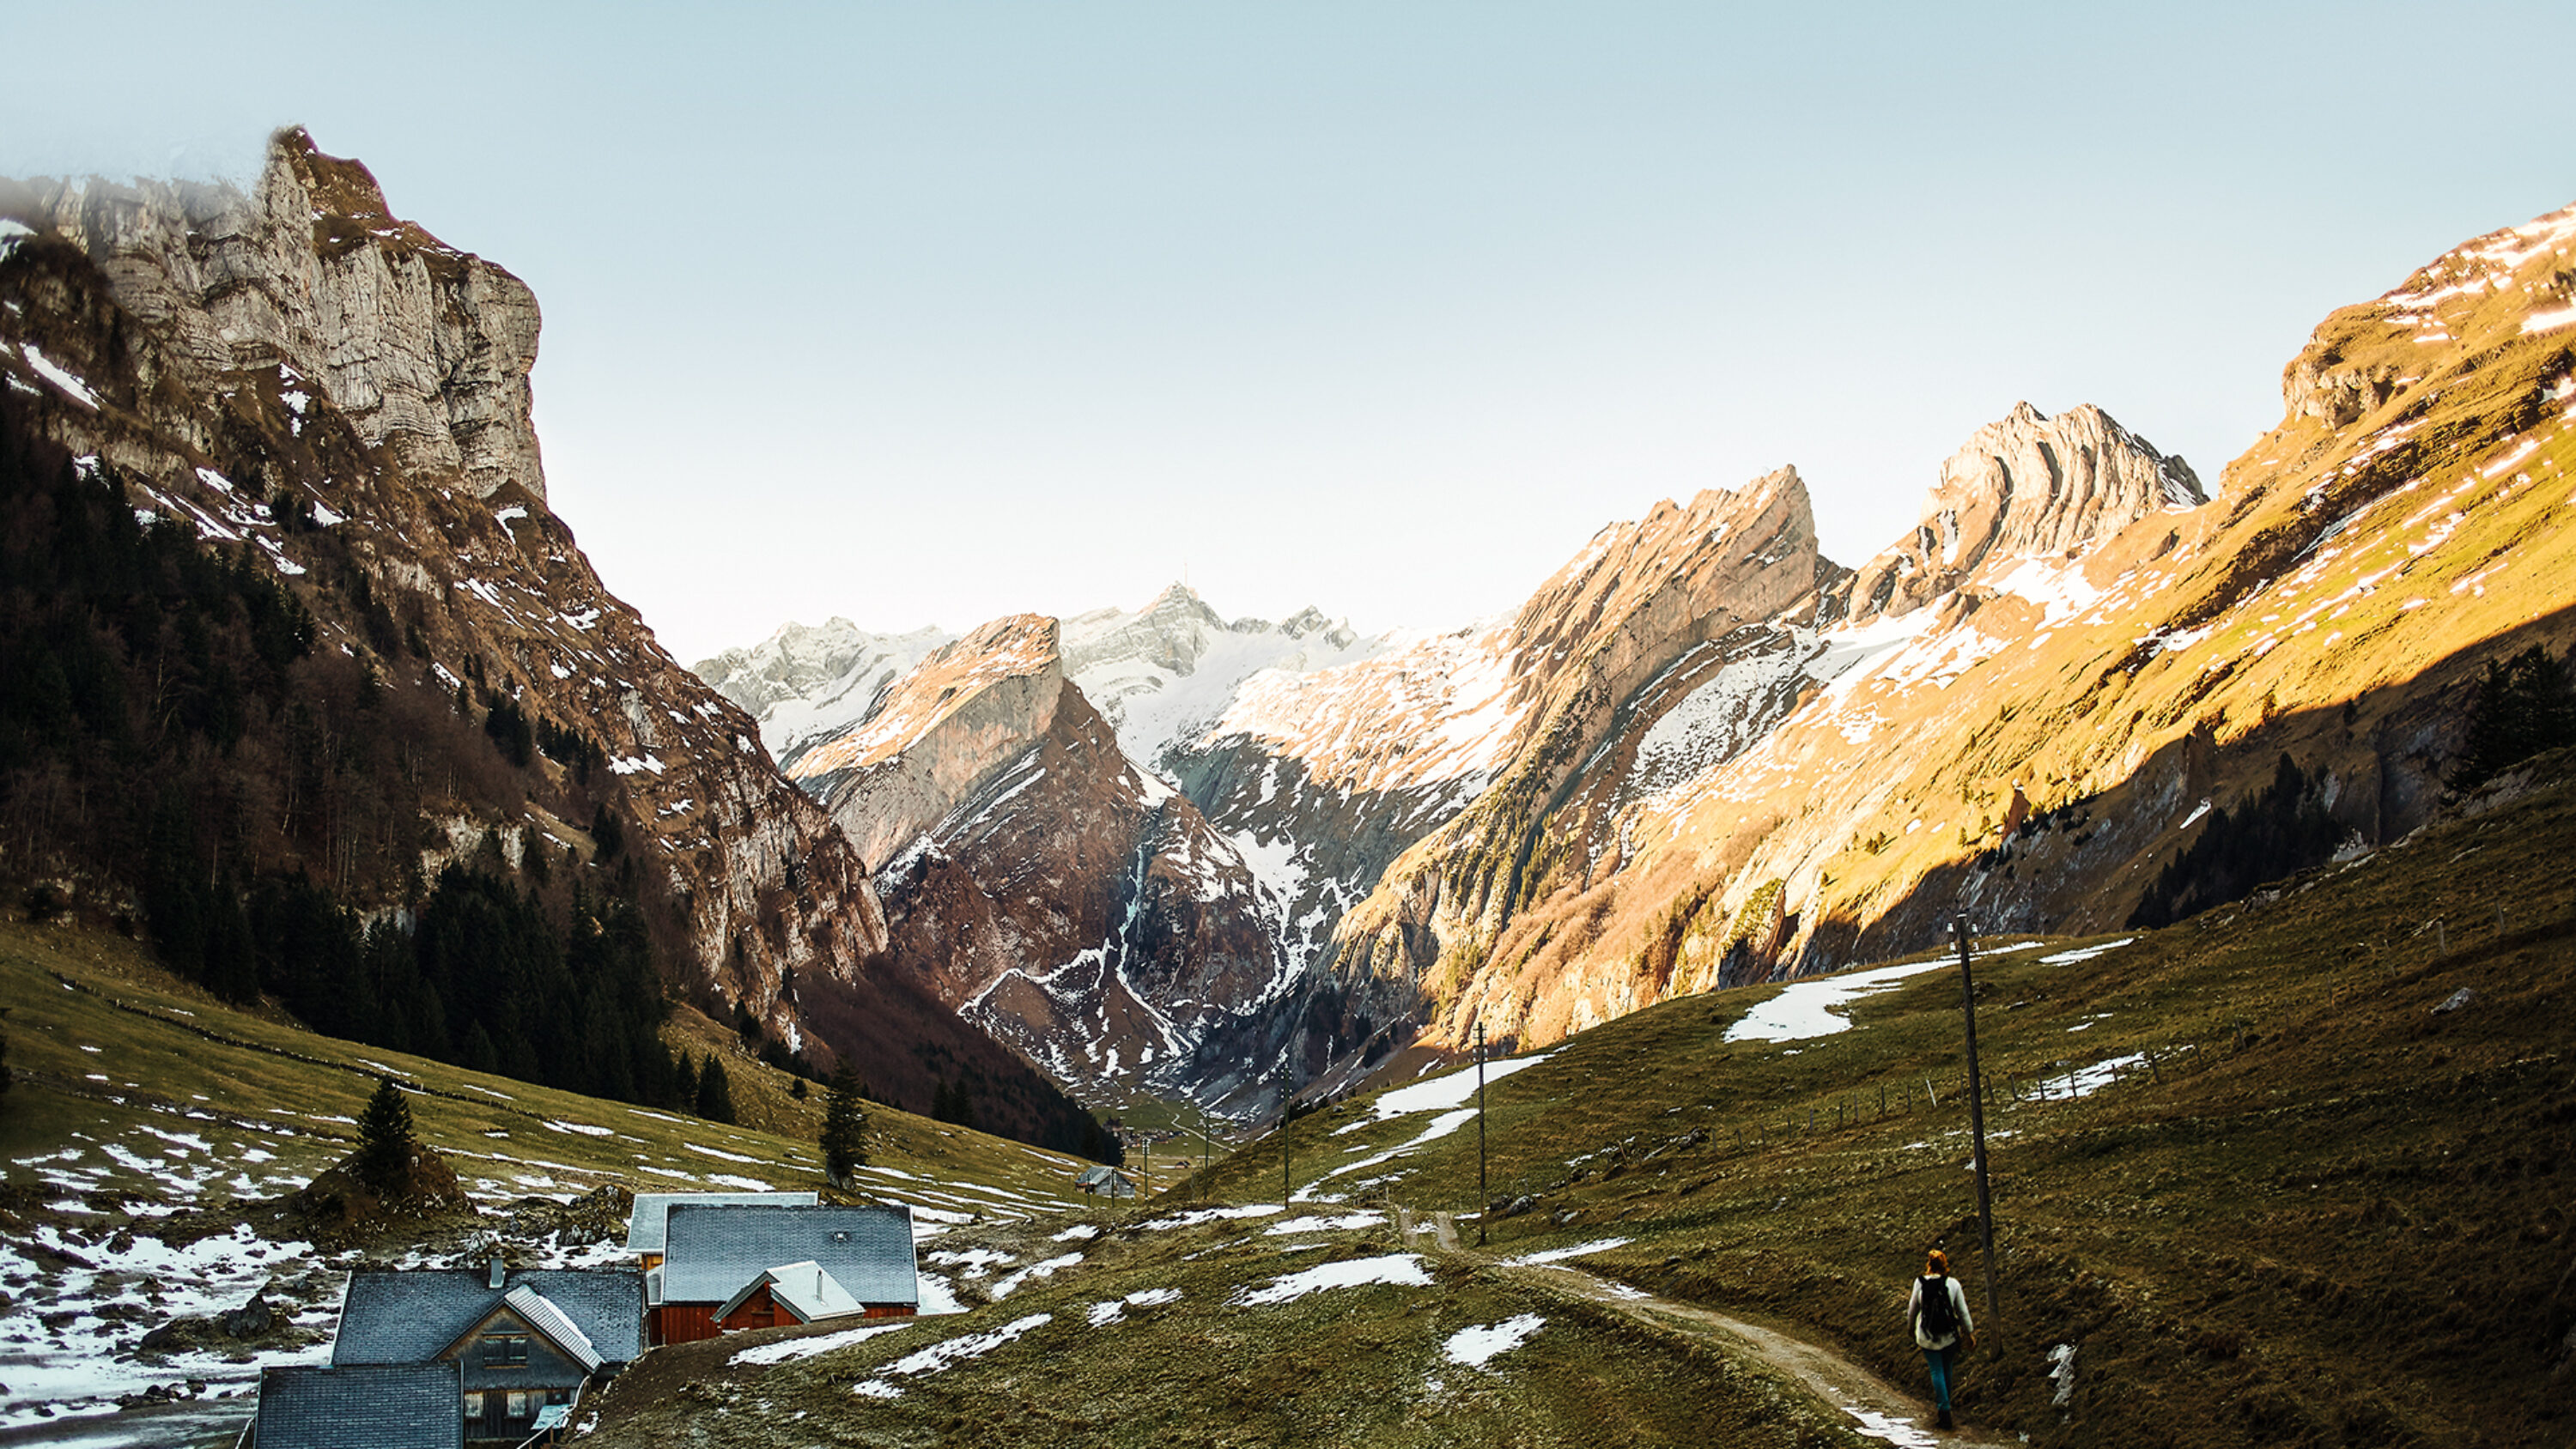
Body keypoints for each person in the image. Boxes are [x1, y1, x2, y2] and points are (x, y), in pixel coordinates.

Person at [1908, 1248, 1976, 1431]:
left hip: (1927, 1336)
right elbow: (1962, 1312)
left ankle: (1944, 1410)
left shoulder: (1920, 1283)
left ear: (1929, 1265)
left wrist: (1910, 1328)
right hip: (1949, 1336)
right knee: (1947, 1369)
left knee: (1936, 1370)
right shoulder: (1953, 1284)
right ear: (1945, 1265)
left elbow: (1913, 1309)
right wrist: (1969, 1333)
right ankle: (1947, 1403)